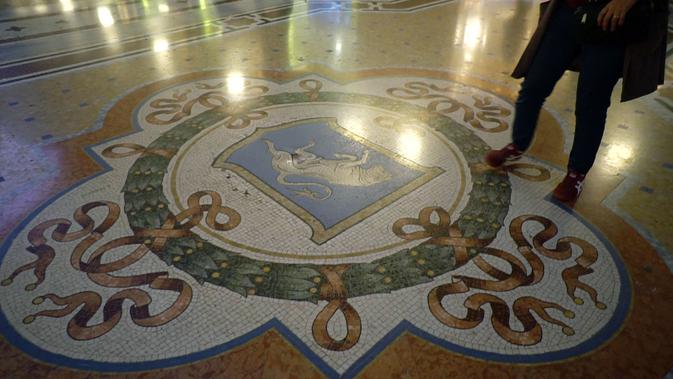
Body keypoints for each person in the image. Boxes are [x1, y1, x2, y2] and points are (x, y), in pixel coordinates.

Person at [485, 0, 669, 202]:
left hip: (609, 20)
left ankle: (577, 173)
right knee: (534, 86)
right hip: (567, 11)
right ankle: (518, 145)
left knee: (591, 103)